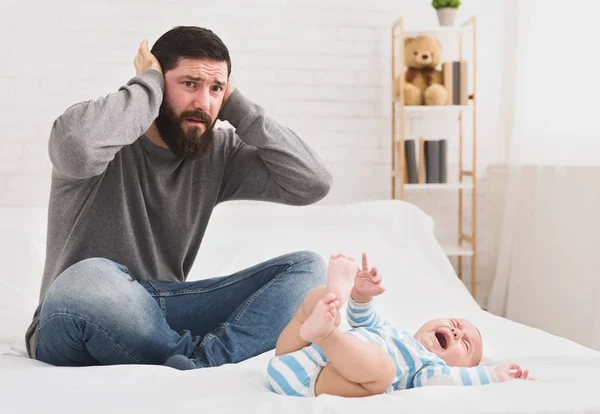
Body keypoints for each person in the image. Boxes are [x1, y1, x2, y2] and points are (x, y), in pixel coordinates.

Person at [24, 26, 332, 368]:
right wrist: (147, 84)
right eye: (189, 84)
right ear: (158, 83)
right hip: (77, 312)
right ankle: (183, 352)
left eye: (216, 89)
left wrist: (238, 108)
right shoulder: (100, 131)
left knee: (309, 271)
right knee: (87, 279)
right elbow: (76, 150)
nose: (203, 103)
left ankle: (203, 361)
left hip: (163, 309)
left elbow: (313, 182)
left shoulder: (220, 152)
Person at [267, 253, 533, 397]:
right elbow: (362, 320)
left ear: (460, 368)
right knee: (318, 299)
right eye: (454, 324)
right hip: (294, 354)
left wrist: (493, 374)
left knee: (384, 371)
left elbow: (449, 380)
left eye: (464, 343)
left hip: (313, 381)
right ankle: (331, 302)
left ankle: (327, 330)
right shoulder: (392, 333)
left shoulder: (429, 368)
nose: (456, 331)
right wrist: (362, 295)